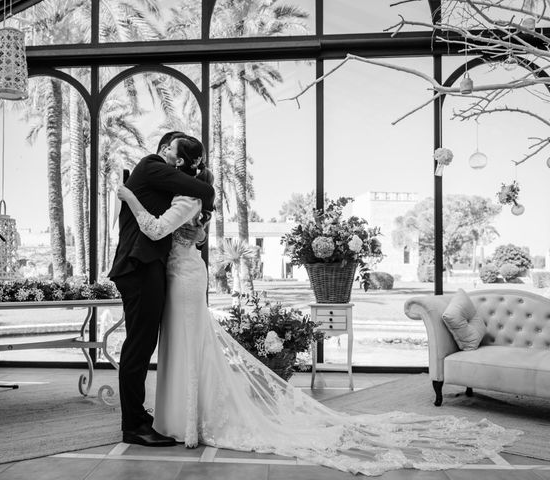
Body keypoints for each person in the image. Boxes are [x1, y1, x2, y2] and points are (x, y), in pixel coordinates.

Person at [116, 139, 521, 475]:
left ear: (181, 166)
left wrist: (128, 195)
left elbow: (157, 227)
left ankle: (180, 418)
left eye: (176, 162)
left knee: (184, 344)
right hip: (173, 275)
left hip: (182, 278)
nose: (168, 165)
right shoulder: (171, 185)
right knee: (173, 345)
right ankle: (166, 416)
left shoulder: (181, 194)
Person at [108, 131, 214, 447]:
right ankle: (133, 425)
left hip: (150, 268)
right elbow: (201, 188)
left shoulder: (165, 184)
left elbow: (192, 199)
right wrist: (206, 195)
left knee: (143, 344)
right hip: (138, 267)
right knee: (139, 346)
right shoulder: (151, 164)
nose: (172, 157)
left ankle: (139, 418)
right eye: (171, 150)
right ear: (164, 151)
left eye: (178, 154)